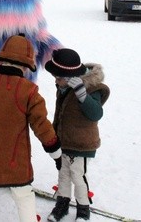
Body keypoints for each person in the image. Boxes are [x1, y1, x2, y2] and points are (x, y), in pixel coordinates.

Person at [0, 34, 62, 222]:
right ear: (26, 65)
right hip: (16, 164)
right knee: (24, 196)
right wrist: (56, 153)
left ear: (2, 58)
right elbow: (42, 126)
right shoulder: (29, 91)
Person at [44, 48, 110, 222]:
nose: (56, 82)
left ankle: (83, 209)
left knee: (78, 176)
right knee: (63, 175)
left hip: (81, 143)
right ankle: (62, 205)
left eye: (58, 78)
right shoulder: (63, 86)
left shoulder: (92, 88)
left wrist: (82, 94)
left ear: (70, 77)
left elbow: (96, 114)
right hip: (64, 140)